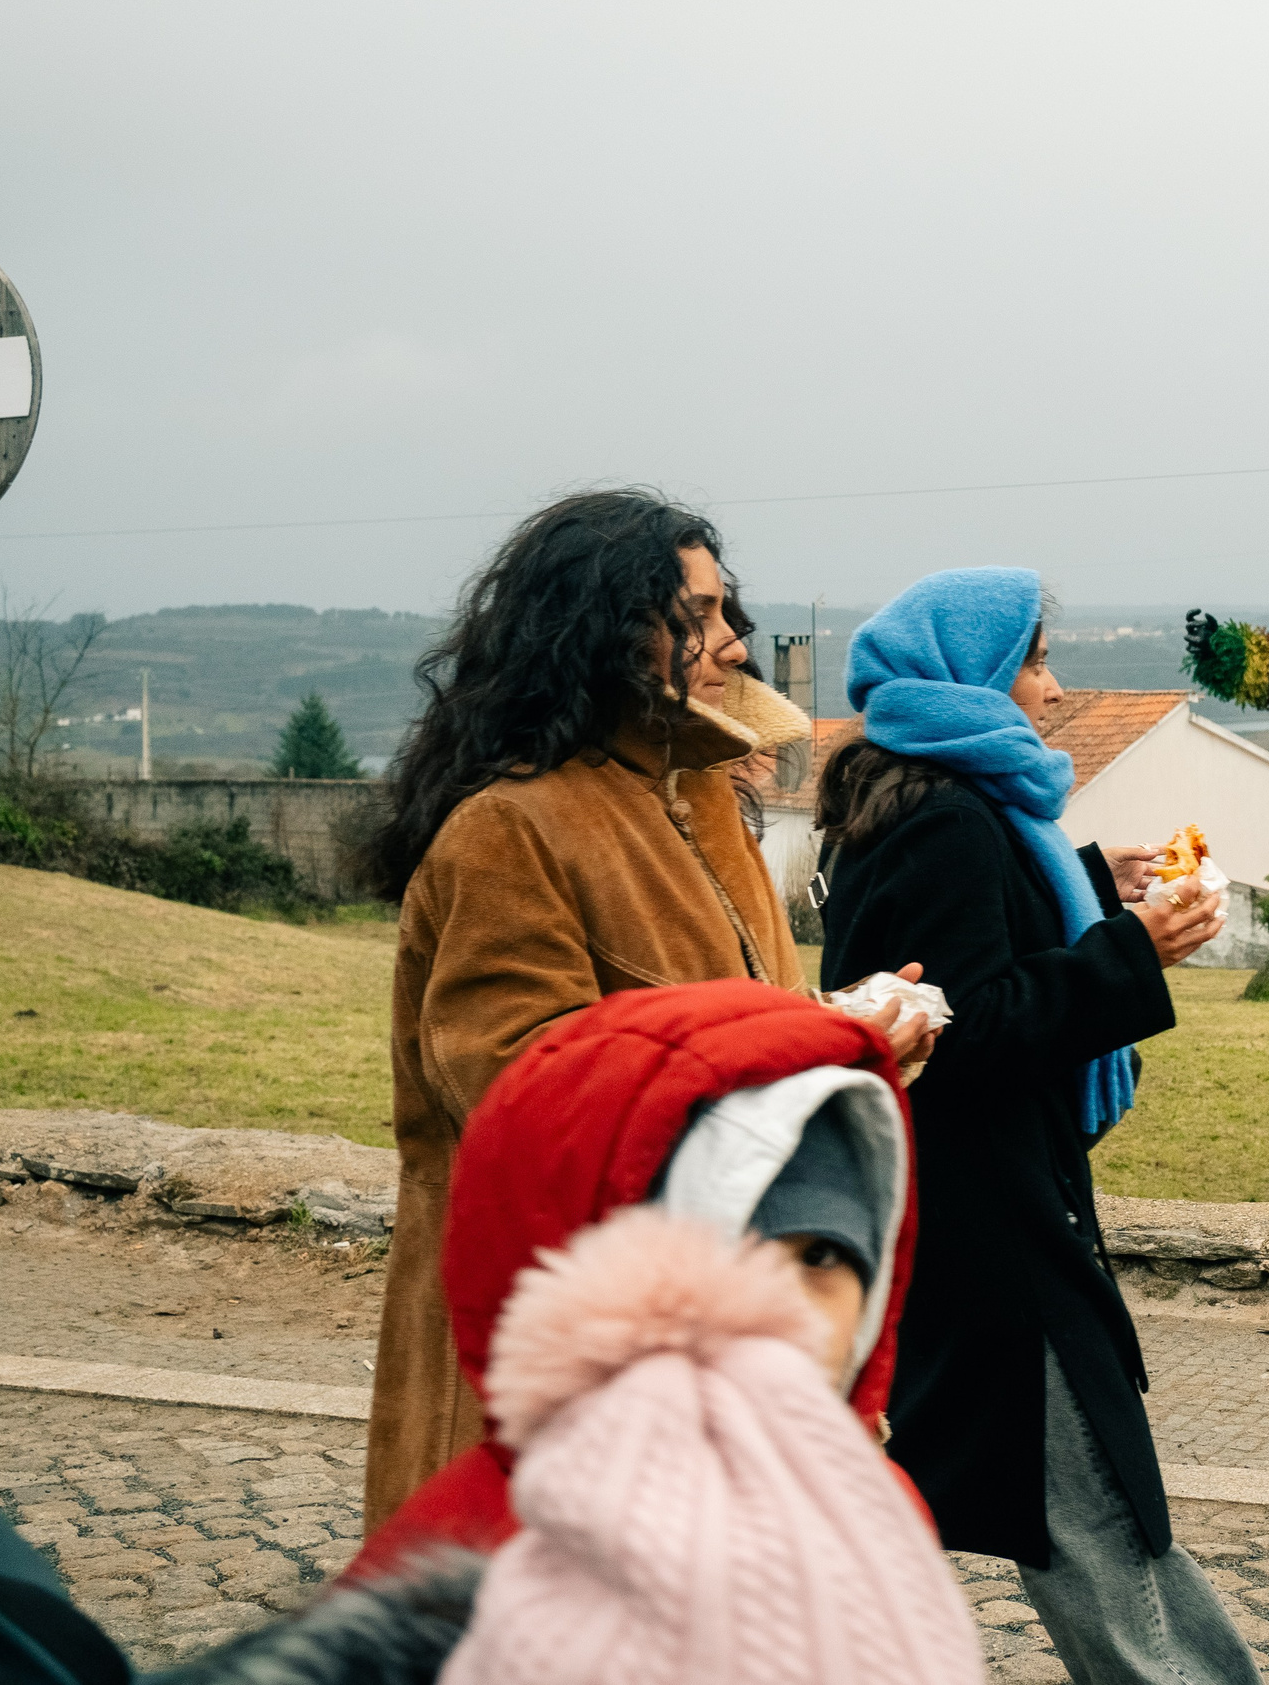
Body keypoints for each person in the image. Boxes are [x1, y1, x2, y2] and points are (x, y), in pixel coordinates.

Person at [358, 489, 932, 1528]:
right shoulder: (509, 830)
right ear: (602, 628)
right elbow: (525, 1100)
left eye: (725, 611)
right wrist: (818, 1041)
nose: (731, 642)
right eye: (697, 614)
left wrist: (849, 1034)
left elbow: (740, 1033)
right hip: (557, 1371)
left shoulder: (708, 804)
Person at [157, 980, 980, 1684]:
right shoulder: (479, 1554)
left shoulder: (874, 1502)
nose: (781, 1307)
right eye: (730, 1249)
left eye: (826, 1255)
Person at [816, 568, 1257, 1685]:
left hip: (987, 1216)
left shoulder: (940, 800)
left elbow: (974, 959)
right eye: (1037, 661)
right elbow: (957, 1033)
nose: (1053, 693)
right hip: (996, 1230)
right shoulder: (947, 819)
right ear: (972, 671)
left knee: (1087, 1503)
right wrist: (1130, 953)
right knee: (1095, 1512)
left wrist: (1088, 885)